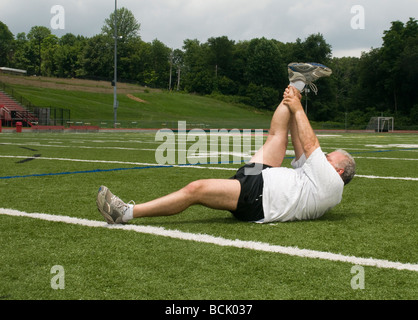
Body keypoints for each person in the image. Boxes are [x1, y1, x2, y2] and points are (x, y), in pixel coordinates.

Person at [96, 62, 356, 224]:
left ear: (339, 170)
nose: (324, 157)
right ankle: (298, 78)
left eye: (329, 157)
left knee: (195, 189)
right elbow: (300, 143)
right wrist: (293, 99)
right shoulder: (317, 178)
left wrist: (297, 107)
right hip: (261, 176)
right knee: (277, 136)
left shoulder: (332, 184)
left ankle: (126, 213)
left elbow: (311, 146)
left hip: (260, 198)